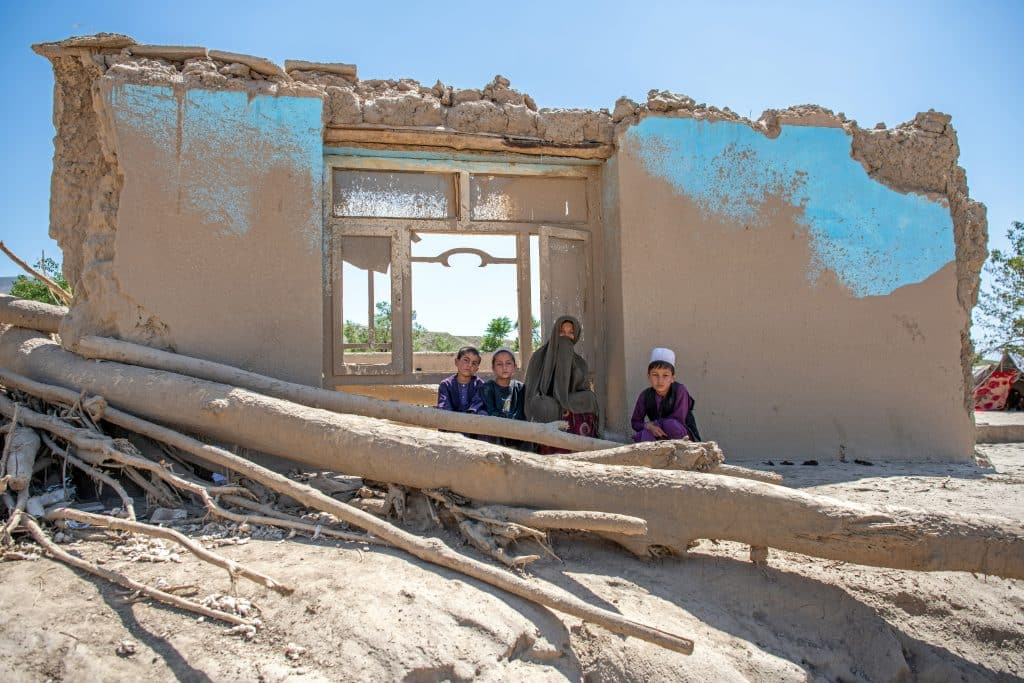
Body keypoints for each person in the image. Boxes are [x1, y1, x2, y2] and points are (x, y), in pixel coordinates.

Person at [524, 315, 599, 453]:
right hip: (547, 402)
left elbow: (583, 389)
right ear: (555, 333)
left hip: (571, 402)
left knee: (590, 398)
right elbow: (531, 390)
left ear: (575, 336)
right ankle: (549, 450)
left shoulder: (580, 362)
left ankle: (581, 450)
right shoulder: (539, 357)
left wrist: (566, 400)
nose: (566, 336)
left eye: (570, 333)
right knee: (544, 404)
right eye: (562, 332)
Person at [631, 347, 701, 442]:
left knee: (670, 424)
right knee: (642, 435)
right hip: (659, 434)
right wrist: (648, 426)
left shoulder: (680, 390)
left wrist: (655, 424)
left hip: (681, 436)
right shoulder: (645, 396)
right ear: (648, 376)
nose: (660, 380)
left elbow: (678, 419)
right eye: (655, 375)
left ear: (672, 378)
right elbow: (635, 422)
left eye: (665, 375)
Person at [480, 347, 528, 448]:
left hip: (518, 433)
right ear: (493, 368)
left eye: (508, 363)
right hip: (496, 434)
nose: (504, 367)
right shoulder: (487, 388)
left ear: (515, 367)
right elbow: (491, 411)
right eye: (499, 364)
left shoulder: (520, 388)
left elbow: (522, 413)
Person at [437, 346, 485, 425]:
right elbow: (444, 406)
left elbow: (476, 407)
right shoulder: (446, 384)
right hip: (451, 424)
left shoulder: (481, 386)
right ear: (456, 362)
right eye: (466, 360)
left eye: (474, 363)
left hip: (472, 425)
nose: (469, 365)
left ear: (477, 369)